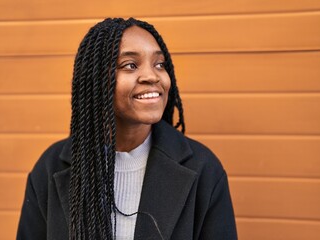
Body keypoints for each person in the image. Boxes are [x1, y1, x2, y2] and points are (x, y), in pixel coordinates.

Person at [17, 18, 237, 240]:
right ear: (96, 80)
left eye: (159, 64)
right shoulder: (51, 167)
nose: (152, 76)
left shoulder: (203, 168)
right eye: (130, 65)